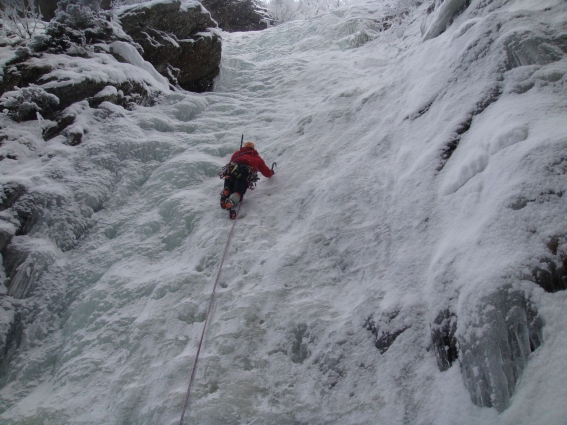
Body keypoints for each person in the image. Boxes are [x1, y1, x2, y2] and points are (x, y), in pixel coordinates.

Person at [220, 141, 274, 219]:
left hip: (232, 170)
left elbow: (231, 162)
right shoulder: (256, 157)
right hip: (244, 173)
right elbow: (266, 172)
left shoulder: (237, 153)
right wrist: (271, 172)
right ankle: (231, 202)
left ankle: (226, 191)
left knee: (230, 184)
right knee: (238, 191)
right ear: (253, 148)